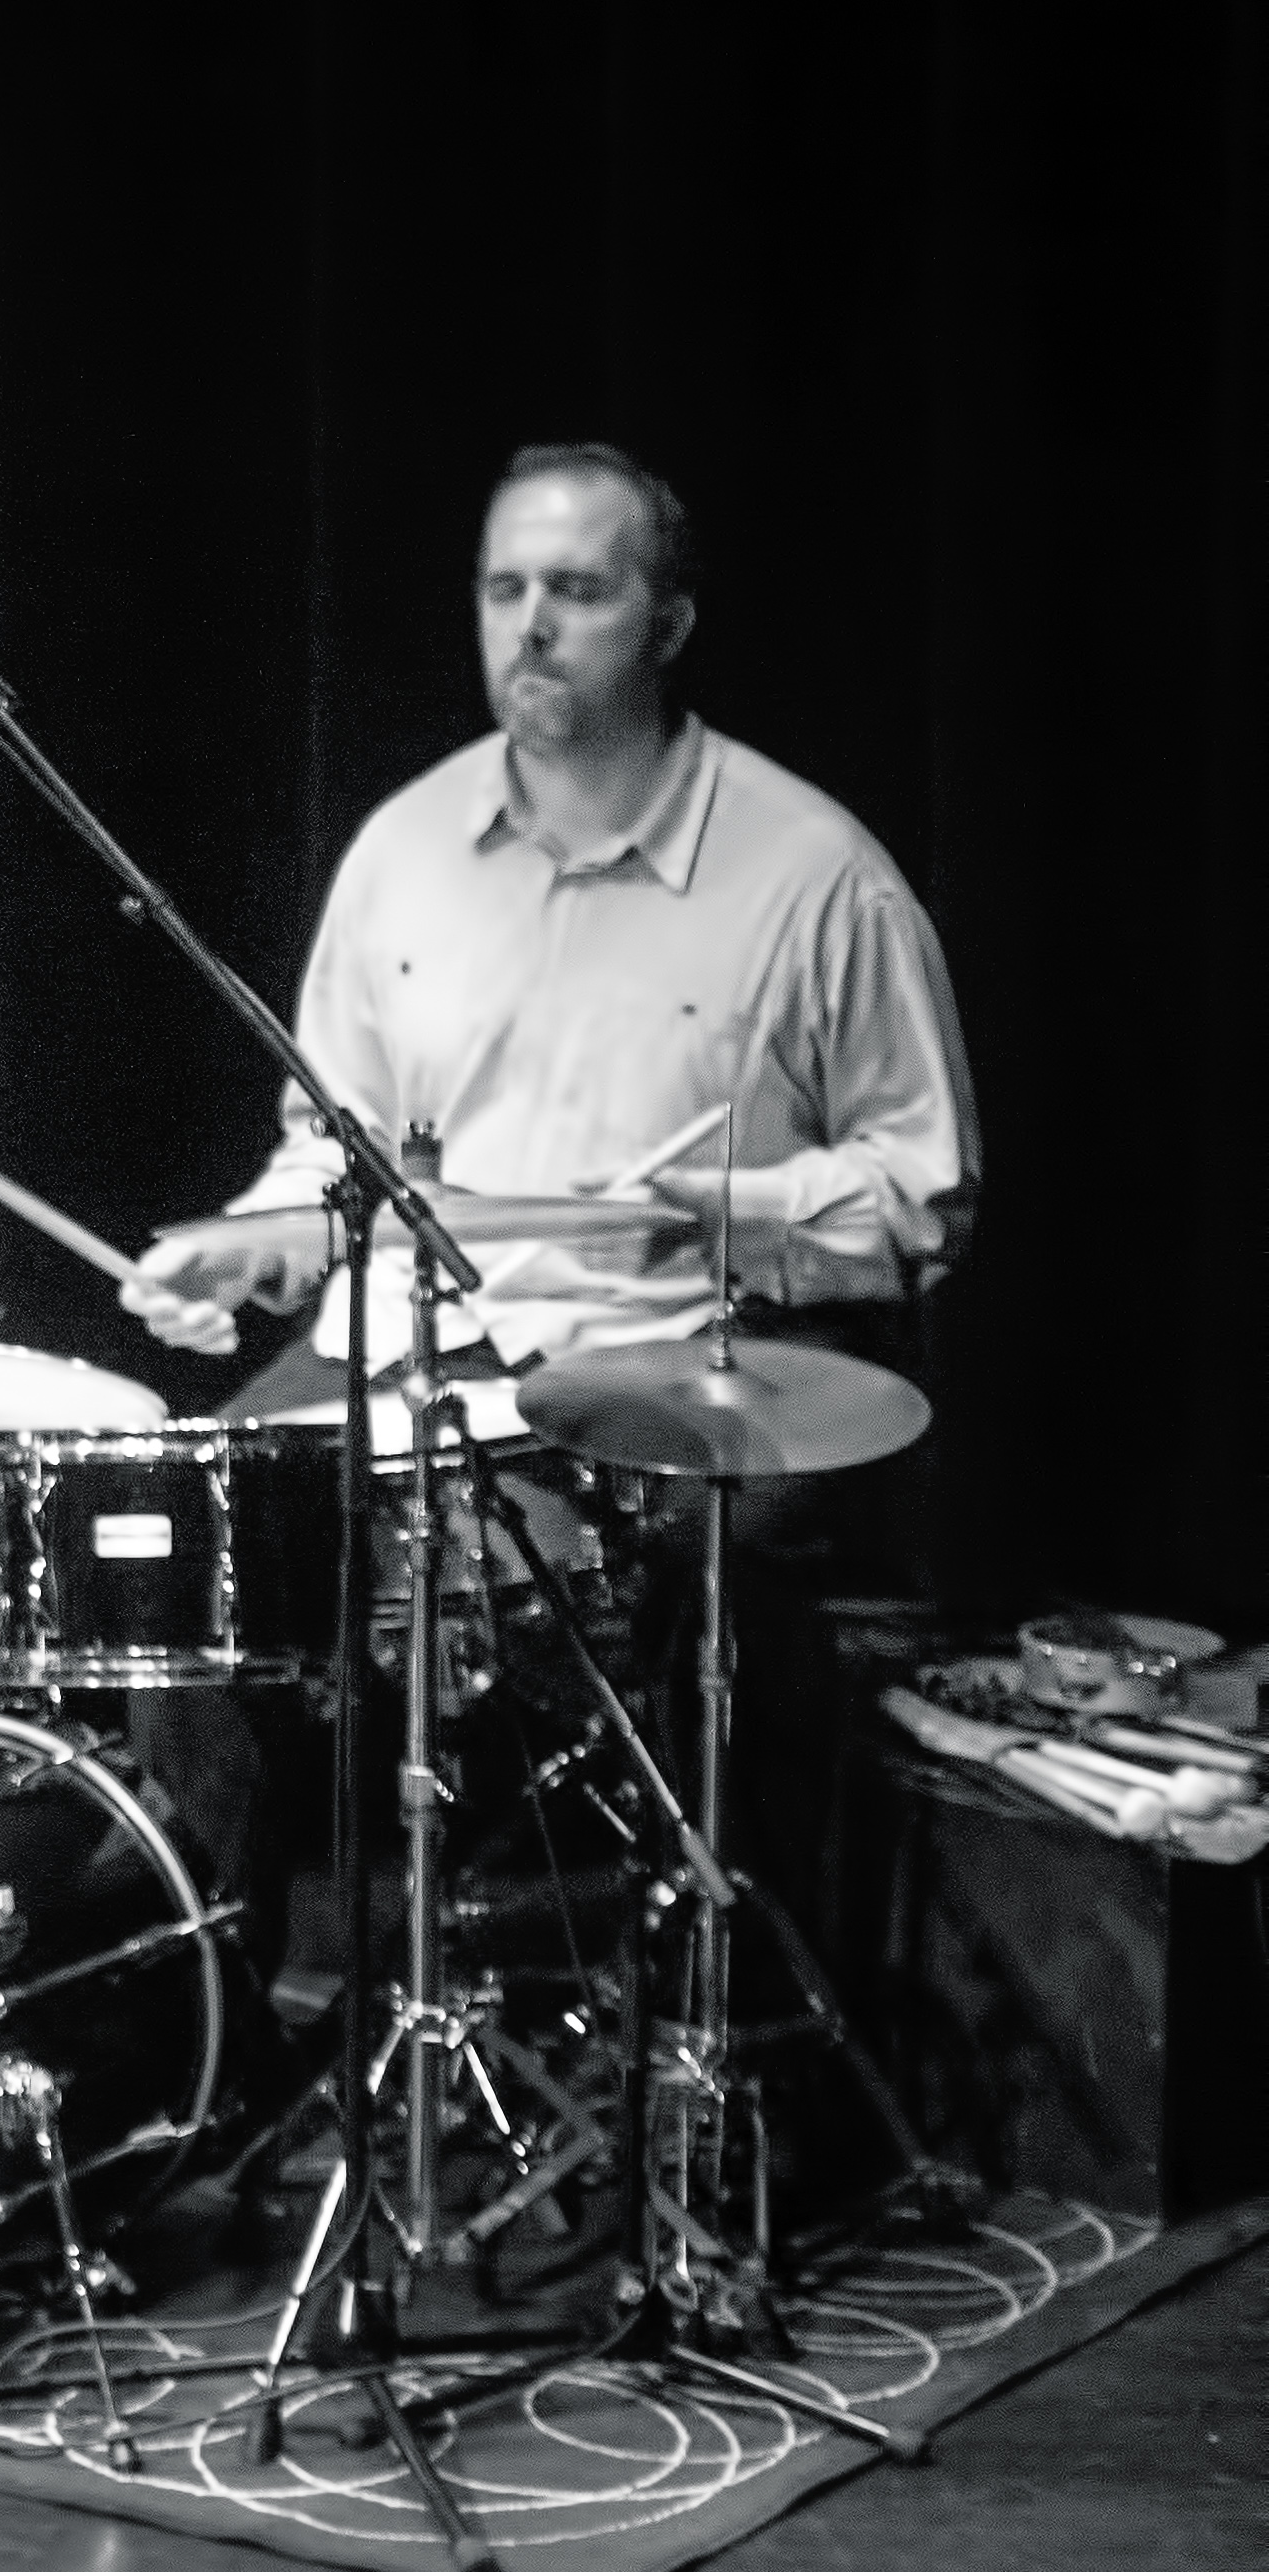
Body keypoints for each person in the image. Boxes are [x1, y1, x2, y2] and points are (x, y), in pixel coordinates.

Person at [111, 444, 978, 1999]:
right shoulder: (404, 852)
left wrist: (728, 1208)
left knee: (730, 1581)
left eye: (577, 589)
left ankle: (722, 2038)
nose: (530, 625)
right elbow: (336, 1150)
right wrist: (248, 1241)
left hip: (666, 1357)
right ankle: (207, 2025)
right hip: (415, 1348)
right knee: (202, 1546)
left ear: (669, 619)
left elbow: (922, 1197)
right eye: (505, 587)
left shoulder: (818, 877)